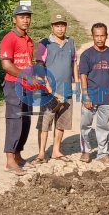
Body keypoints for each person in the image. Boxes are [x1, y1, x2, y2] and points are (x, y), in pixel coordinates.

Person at [31, 14, 79, 165]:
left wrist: (76, 83)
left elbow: (73, 64)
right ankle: (41, 153)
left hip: (66, 90)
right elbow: (39, 65)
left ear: (66, 26)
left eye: (62, 25)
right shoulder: (44, 43)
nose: (60, 28)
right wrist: (46, 84)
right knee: (45, 123)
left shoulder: (70, 42)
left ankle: (56, 151)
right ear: (52, 27)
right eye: (57, 25)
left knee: (62, 122)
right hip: (49, 91)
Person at [78, 23, 109, 164]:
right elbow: (83, 75)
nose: (99, 38)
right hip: (90, 96)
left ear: (106, 36)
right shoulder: (87, 54)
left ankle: (102, 153)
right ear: (92, 36)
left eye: (102, 35)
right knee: (85, 125)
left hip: (105, 97)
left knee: (103, 126)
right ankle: (85, 151)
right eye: (96, 36)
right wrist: (85, 95)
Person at [0, 5, 35, 176]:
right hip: (14, 85)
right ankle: (9, 161)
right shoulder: (9, 38)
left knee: (25, 121)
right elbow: (6, 65)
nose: (25, 20)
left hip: (27, 87)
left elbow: (28, 63)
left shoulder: (28, 40)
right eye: (21, 17)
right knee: (14, 121)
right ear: (14, 19)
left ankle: (19, 155)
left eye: (28, 16)